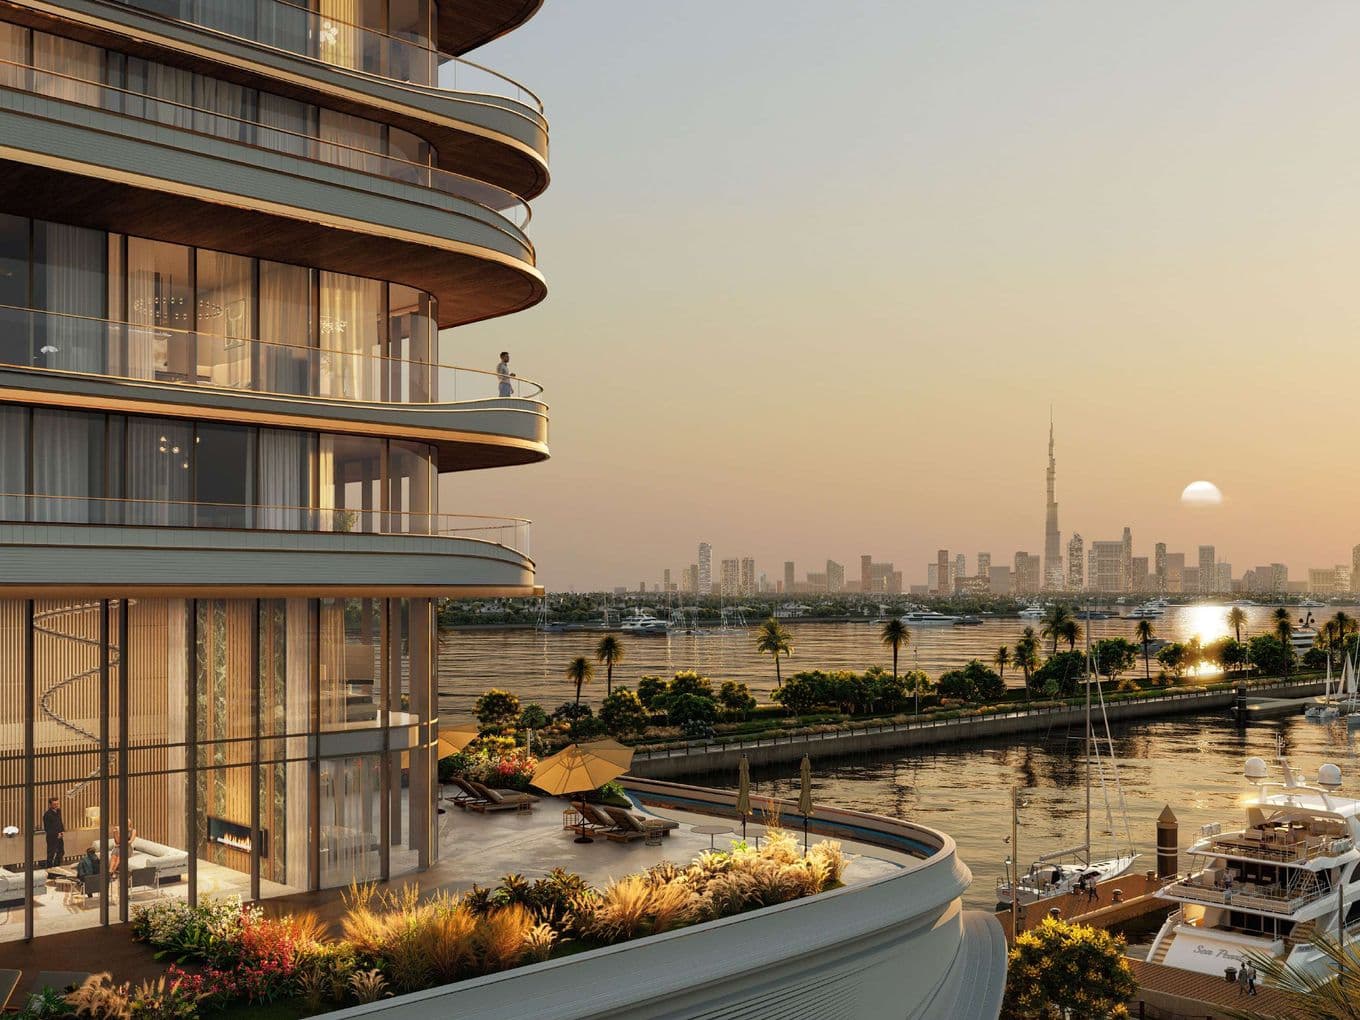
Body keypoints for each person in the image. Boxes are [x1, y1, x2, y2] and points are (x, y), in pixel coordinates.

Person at [41, 796, 64, 867]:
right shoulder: (47, 814)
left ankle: (56, 866)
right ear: (50, 805)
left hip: (60, 835)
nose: (56, 805)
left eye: (57, 804)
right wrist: (56, 834)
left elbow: (60, 822)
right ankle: (49, 868)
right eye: (54, 804)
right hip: (51, 837)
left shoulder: (58, 811)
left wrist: (62, 831)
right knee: (51, 853)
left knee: (61, 852)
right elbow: (47, 828)